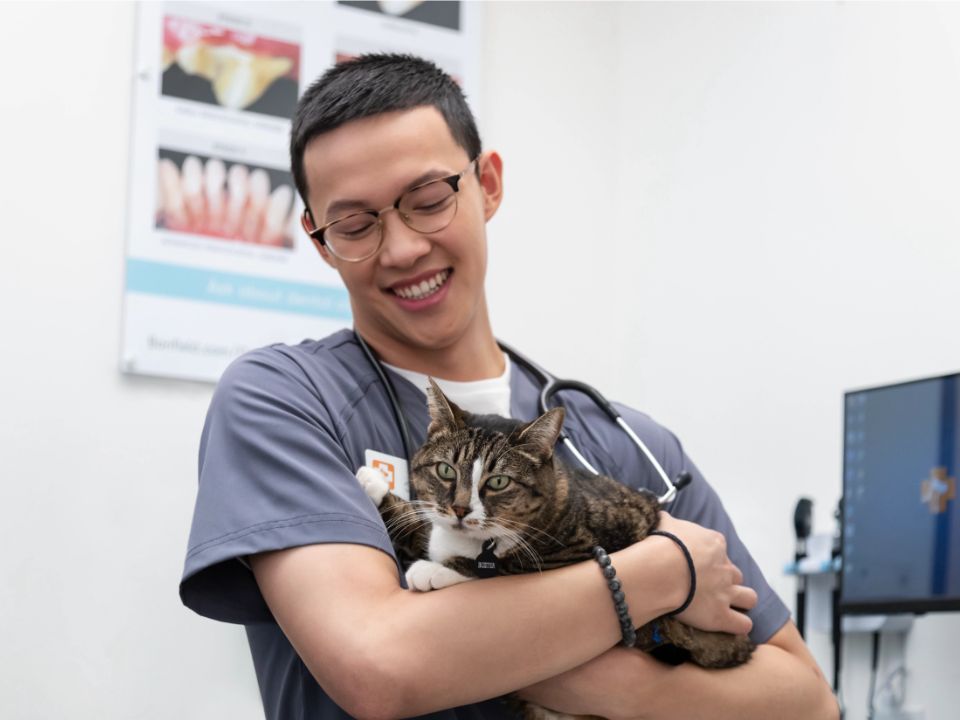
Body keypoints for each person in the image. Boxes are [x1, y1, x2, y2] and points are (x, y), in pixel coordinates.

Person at [180, 54, 838, 720]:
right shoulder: (285, 401)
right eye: (355, 225)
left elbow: (807, 702)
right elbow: (381, 667)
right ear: (320, 242)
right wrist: (663, 572)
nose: (402, 248)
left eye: (430, 201)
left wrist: (615, 687)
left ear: (487, 185)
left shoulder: (627, 446)